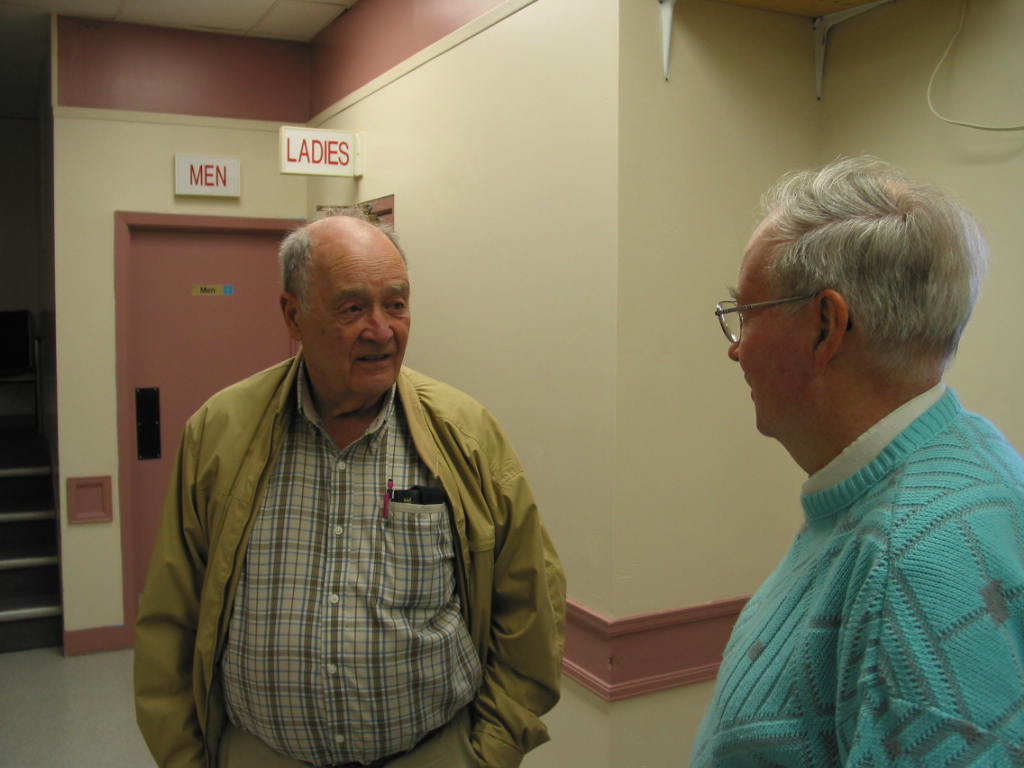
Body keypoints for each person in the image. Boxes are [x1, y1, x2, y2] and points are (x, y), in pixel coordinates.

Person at [134, 210, 566, 768]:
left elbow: (531, 604)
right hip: (260, 753)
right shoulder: (219, 434)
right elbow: (171, 617)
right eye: (353, 307)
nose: (381, 330)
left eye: (396, 304)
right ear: (293, 314)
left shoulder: (466, 435)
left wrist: (491, 752)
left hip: (434, 753)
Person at [693, 156, 1024, 766]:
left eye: (746, 314)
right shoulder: (960, 453)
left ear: (826, 326)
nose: (736, 350)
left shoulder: (911, 564)